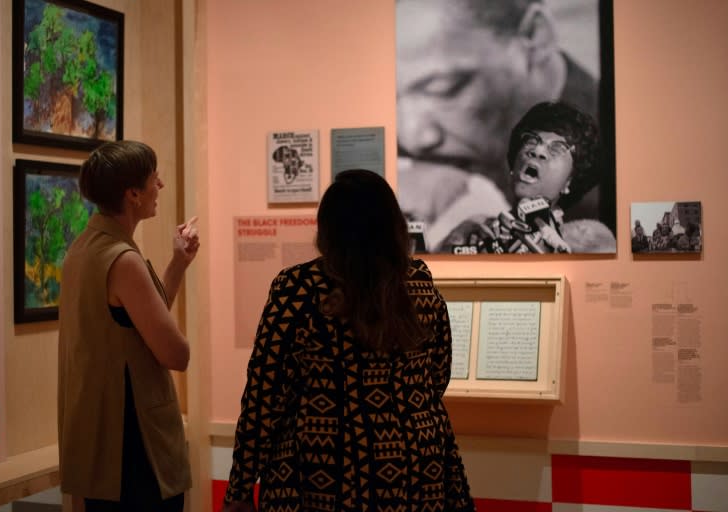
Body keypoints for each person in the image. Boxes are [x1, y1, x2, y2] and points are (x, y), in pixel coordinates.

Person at [223, 170, 474, 511]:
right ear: (392, 224)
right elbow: (438, 375)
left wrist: (239, 486)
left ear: (328, 228)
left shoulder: (299, 288)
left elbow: (264, 394)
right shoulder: (418, 284)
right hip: (416, 465)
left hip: (322, 467)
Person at [58, 140, 200, 511]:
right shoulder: (123, 260)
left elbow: (136, 324)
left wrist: (177, 264)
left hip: (100, 447)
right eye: (155, 179)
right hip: (135, 451)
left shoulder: (82, 249)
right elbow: (175, 353)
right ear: (133, 194)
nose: (161, 187)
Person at [396, 0, 605, 252]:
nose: (411, 137)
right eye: (391, 98)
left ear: (534, 36)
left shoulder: (609, 169)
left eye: (443, 88)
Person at [439, 101, 616, 254]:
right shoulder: (473, 231)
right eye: (531, 140)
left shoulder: (588, 243)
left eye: (557, 149)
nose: (537, 151)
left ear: (569, 181)